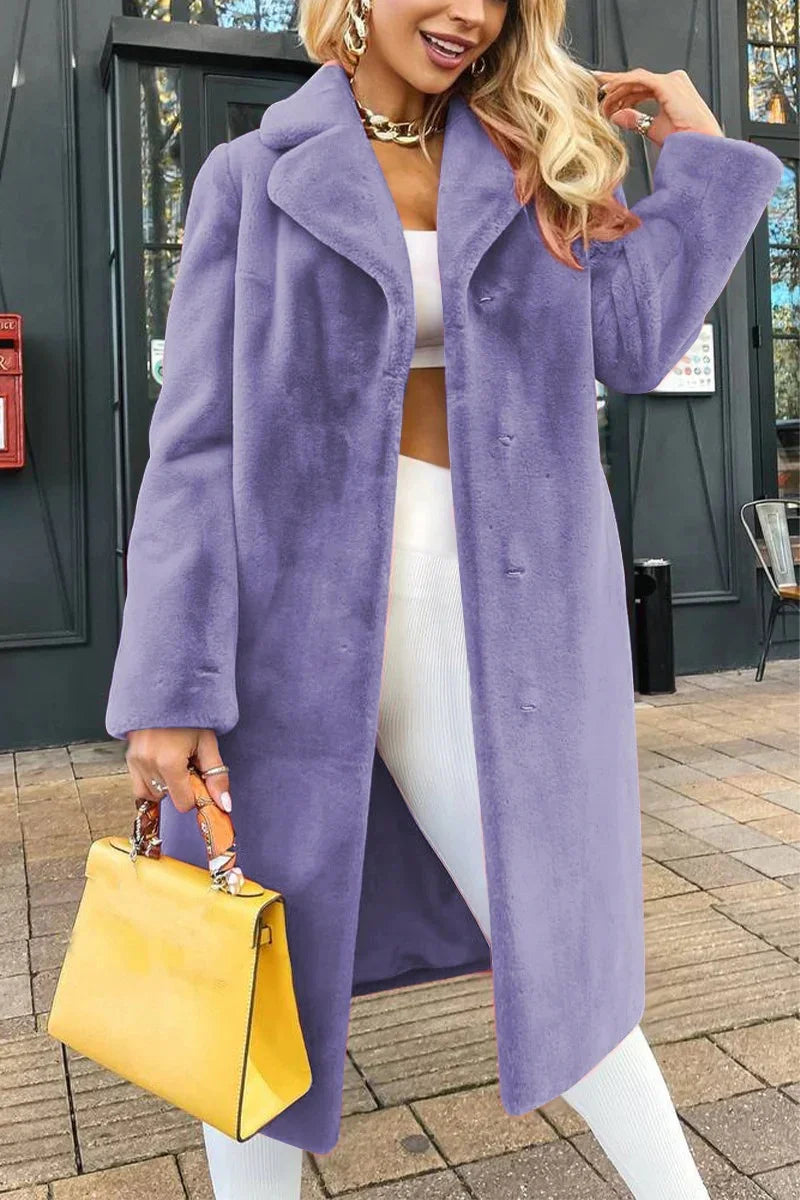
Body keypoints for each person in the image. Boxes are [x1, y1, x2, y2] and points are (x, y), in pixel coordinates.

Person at [108, 2, 782, 1197]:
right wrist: (168, 682)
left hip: (507, 610)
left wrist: (699, 156)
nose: (469, 11)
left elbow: (628, 342)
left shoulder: (526, 157)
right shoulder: (250, 177)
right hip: (288, 627)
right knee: (254, 969)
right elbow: (195, 446)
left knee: (561, 948)